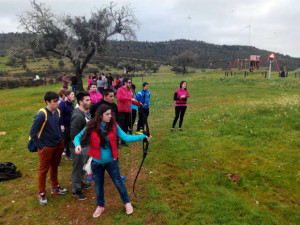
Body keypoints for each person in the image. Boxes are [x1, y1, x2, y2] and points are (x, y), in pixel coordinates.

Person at [74, 104, 151, 217]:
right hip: (97, 163)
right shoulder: (91, 125)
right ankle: (100, 206)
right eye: (107, 114)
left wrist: (142, 137)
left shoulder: (113, 125)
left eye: (110, 114)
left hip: (111, 162)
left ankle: (127, 203)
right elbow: (77, 137)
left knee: (118, 183)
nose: (110, 116)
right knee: (99, 185)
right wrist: (77, 145)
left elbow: (126, 137)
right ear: (100, 116)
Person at [29, 92, 67, 205]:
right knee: (43, 170)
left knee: (54, 166)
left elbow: (59, 127)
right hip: (46, 147)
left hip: (58, 144)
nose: (58, 103)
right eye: (55, 101)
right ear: (47, 102)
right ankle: (41, 193)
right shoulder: (42, 114)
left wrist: (61, 139)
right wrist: (41, 147)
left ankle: (55, 187)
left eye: (58, 100)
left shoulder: (58, 112)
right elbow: (32, 133)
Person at [70, 91, 92, 200]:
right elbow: (73, 135)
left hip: (86, 144)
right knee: (77, 168)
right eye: (87, 100)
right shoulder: (78, 116)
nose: (90, 102)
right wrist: (78, 149)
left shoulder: (87, 113)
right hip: (79, 147)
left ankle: (82, 182)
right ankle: (76, 190)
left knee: (84, 166)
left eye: (90, 99)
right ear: (80, 102)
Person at [117, 78, 140, 146]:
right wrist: (129, 99)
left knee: (126, 126)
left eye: (130, 82)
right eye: (129, 82)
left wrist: (140, 103)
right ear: (125, 83)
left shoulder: (130, 91)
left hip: (128, 111)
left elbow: (133, 100)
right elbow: (119, 98)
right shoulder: (120, 90)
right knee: (120, 126)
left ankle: (123, 141)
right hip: (121, 111)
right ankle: (117, 142)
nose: (130, 84)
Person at [59, 90, 75, 160]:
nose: (73, 95)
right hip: (65, 126)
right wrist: (62, 125)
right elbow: (60, 114)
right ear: (67, 95)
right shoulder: (63, 103)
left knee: (69, 140)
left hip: (70, 125)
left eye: (73, 94)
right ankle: (65, 154)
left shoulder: (71, 103)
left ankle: (68, 154)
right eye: (72, 94)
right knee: (65, 140)